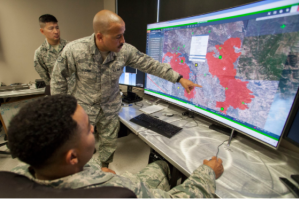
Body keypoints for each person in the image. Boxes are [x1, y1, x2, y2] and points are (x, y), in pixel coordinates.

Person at [50, 10, 202, 168]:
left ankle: (104, 170)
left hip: (110, 107)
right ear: (100, 36)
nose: (123, 40)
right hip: (83, 109)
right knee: (77, 149)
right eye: (118, 36)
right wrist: (64, 112)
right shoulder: (74, 50)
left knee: (108, 146)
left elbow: (150, 64)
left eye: (123, 34)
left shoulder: (125, 51)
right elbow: (58, 78)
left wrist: (179, 78)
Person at [8, 95, 224, 198]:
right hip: (134, 187)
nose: (93, 128)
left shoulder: (20, 175)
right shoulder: (117, 192)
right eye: (87, 129)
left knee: (160, 167)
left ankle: (164, 167)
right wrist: (206, 174)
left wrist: (95, 171)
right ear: (72, 158)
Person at [34, 14, 68, 95]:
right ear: (42, 31)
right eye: (51, 28)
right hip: (56, 94)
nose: (56, 31)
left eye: (57, 27)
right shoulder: (40, 53)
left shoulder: (70, 47)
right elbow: (47, 79)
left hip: (74, 93)